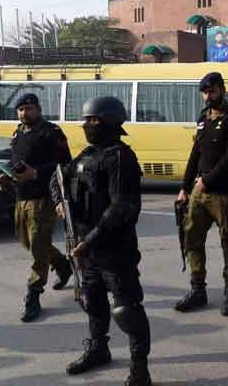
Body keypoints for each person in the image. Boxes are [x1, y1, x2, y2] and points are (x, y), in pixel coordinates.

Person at [50, 96, 152, 385]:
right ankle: (98, 349)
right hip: (84, 248)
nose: (87, 125)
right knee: (90, 300)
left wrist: (91, 240)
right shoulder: (85, 156)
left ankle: (139, 368)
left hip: (114, 249)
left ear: (110, 121)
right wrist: (59, 201)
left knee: (127, 310)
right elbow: (57, 178)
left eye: (93, 120)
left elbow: (123, 206)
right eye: (86, 120)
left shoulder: (121, 157)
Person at [174, 72, 228, 316]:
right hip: (200, 191)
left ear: (222, 90)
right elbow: (196, 154)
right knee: (192, 238)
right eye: (205, 92)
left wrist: (205, 181)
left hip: (225, 192)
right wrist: (185, 187)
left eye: (212, 91)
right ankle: (198, 290)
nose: (208, 96)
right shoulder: (203, 118)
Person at [0, 93, 72, 322]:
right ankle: (62, 265)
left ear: (38, 109)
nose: (23, 113)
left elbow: (65, 165)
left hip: (43, 197)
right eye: (20, 109)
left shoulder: (51, 132)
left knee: (38, 247)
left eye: (28, 108)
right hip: (21, 197)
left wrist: (36, 173)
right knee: (30, 242)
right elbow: (15, 161)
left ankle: (34, 293)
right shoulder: (18, 132)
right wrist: (4, 176)